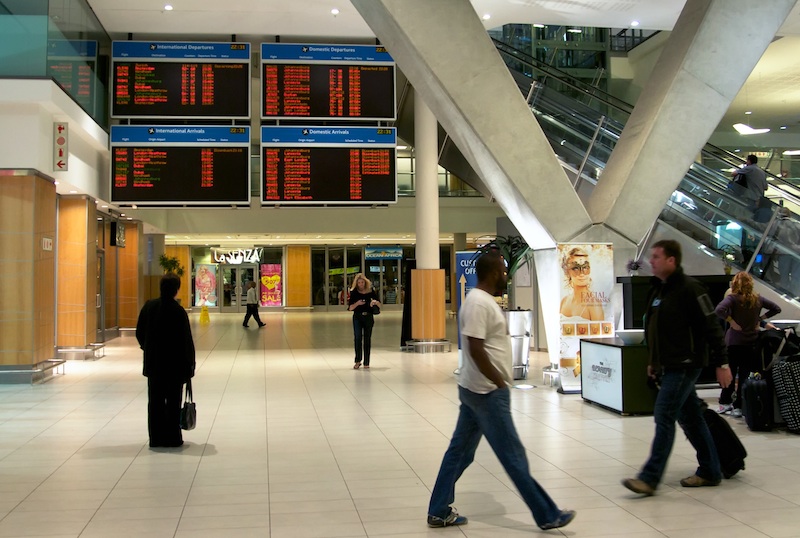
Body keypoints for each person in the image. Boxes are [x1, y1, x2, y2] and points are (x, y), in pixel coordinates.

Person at [427, 251, 575, 530]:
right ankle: (547, 514)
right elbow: (474, 346)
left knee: (459, 453)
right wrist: (498, 380)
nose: (506, 276)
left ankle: (438, 509)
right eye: (503, 271)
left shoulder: (480, 301)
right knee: (513, 456)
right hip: (486, 393)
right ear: (493, 273)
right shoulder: (479, 304)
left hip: (474, 389)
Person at [622, 239, 732, 496]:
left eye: (657, 257)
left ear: (672, 260)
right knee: (691, 418)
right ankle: (711, 471)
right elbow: (656, 329)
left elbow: (712, 328)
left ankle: (649, 478)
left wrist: (722, 362)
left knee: (664, 415)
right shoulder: (660, 289)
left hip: (685, 364)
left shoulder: (691, 289)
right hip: (668, 364)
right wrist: (653, 361)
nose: (652, 261)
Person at [136, 273, 196, 448]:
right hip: (174, 365)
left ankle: (155, 438)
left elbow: (140, 332)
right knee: (173, 400)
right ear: (176, 289)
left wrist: (147, 349)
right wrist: (190, 365)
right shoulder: (178, 311)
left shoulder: (149, 307)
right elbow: (186, 341)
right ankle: (172, 437)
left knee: (154, 401)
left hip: (154, 364)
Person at [714, 272, 781, 417]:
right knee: (744, 375)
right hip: (751, 342)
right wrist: (760, 318)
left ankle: (725, 403)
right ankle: (739, 405)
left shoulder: (732, 298)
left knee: (730, 374)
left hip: (733, 343)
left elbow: (719, 310)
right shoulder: (757, 299)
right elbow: (776, 308)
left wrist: (731, 321)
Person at [559, 246, 605, 321]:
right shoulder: (564, 301)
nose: (581, 273)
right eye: (575, 268)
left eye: (585, 267)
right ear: (567, 272)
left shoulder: (593, 304)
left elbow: (600, 332)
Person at [348, 273, 380, 369]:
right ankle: (358, 360)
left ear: (365, 283)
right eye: (359, 283)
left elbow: (379, 303)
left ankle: (366, 362)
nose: (361, 284)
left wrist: (375, 302)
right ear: (356, 283)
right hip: (357, 317)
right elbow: (350, 308)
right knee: (357, 338)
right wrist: (357, 303)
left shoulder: (371, 292)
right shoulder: (353, 292)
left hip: (368, 317)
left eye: (362, 282)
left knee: (367, 339)